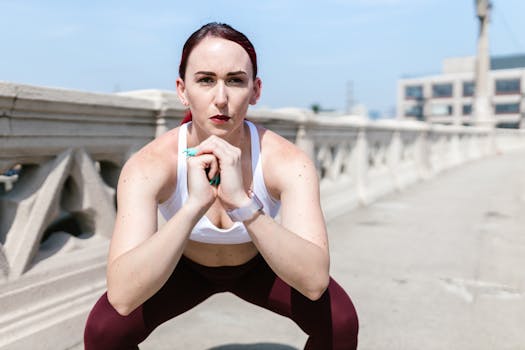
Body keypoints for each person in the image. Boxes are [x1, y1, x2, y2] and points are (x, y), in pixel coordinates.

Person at [84, 22, 359, 350]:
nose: (221, 99)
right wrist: (192, 208)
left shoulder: (287, 162)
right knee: (103, 331)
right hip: (183, 266)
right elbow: (123, 296)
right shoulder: (148, 166)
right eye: (205, 80)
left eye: (235, 81)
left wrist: (243, 205)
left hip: (261, 263)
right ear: (182, 90)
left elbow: (314, 283)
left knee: (340, 321)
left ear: (255, 90)